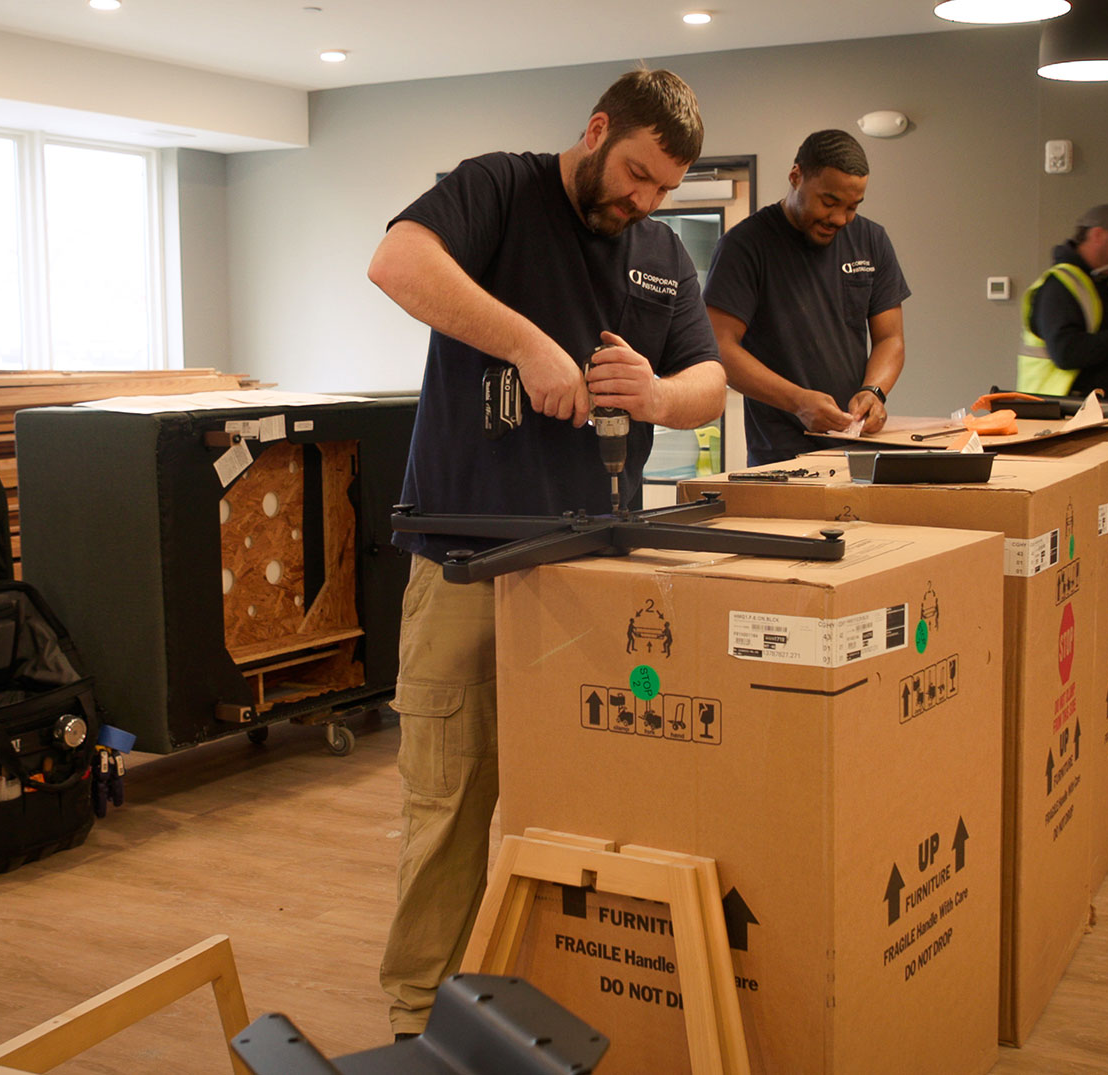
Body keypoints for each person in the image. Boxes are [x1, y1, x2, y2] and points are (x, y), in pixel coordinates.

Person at [364, 67, 727, 1039]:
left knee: (592, 799)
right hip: (464, 560)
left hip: (592, 576)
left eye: (661, 189)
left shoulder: (657, 252)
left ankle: (571, 998)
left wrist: (655, 394)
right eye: (636, 175)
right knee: (448, 800)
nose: (642, 200)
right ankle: (418, 1018)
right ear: (597, 128)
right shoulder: (497, 189)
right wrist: (526, 345)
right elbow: (397, 264)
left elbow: (710, 383)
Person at [703, 129, 910, 466]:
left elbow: (890, 339)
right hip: (780, 456)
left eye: (852, 207)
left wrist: (873, 391)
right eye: (828, 202)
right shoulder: (745, 247)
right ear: (796, 176)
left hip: (856, 450)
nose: (840, 218)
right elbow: (720, 349)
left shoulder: (872, 240)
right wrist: (797, 401)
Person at [1017, 202, 1108, 401]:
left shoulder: (1100, 284)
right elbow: (1066, 353)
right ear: (1097, 235)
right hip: (1063, 420)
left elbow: (1100, 353)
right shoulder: (1059, 286)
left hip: (1094, 416)